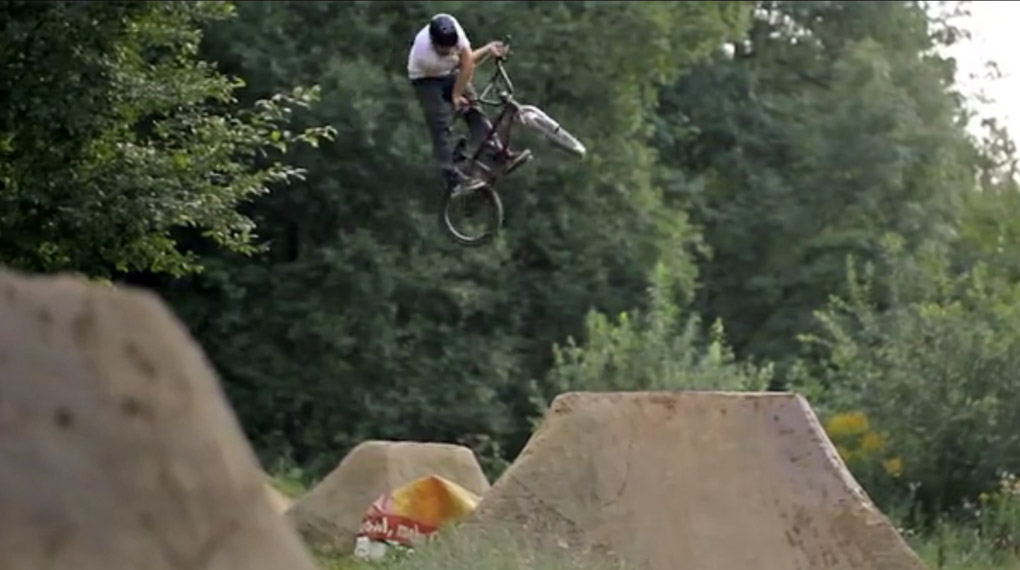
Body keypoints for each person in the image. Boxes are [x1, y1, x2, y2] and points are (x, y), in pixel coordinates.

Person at [407, 13, 531, 193]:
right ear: (434, 44)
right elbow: (460, 65)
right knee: (440, 125)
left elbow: (467, 63)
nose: (449, 50)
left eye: (452, 47)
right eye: (444, 50)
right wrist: (455, 98)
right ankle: (452, 177)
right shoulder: (424, 55)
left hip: (449, 72)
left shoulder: (452, 26)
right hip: (426, 80)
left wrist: (488, 49)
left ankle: (496, 153)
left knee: (474, 107)